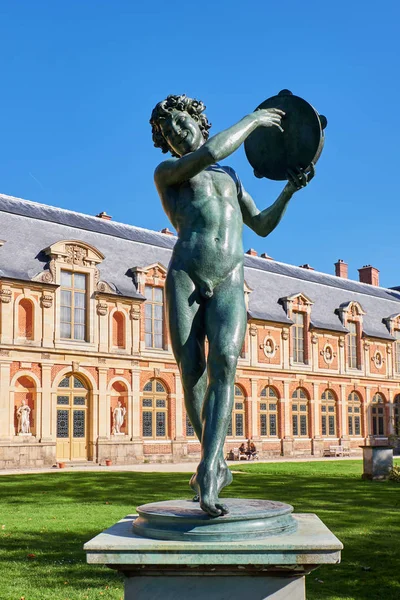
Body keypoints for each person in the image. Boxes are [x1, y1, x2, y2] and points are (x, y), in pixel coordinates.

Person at [150, 94, 314, 517]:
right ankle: (216, 461)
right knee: (191, 372)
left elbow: (261, 225)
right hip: (186, 273)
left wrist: (290, 191)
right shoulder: (169, 172)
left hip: (230, 277)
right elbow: (211, 150)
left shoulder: (231, 177)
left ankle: (208, 467)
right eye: (168, 133)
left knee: (225, 363)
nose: (176, 134)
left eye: (181, 124)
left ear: (199, 121)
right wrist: (254, 119)